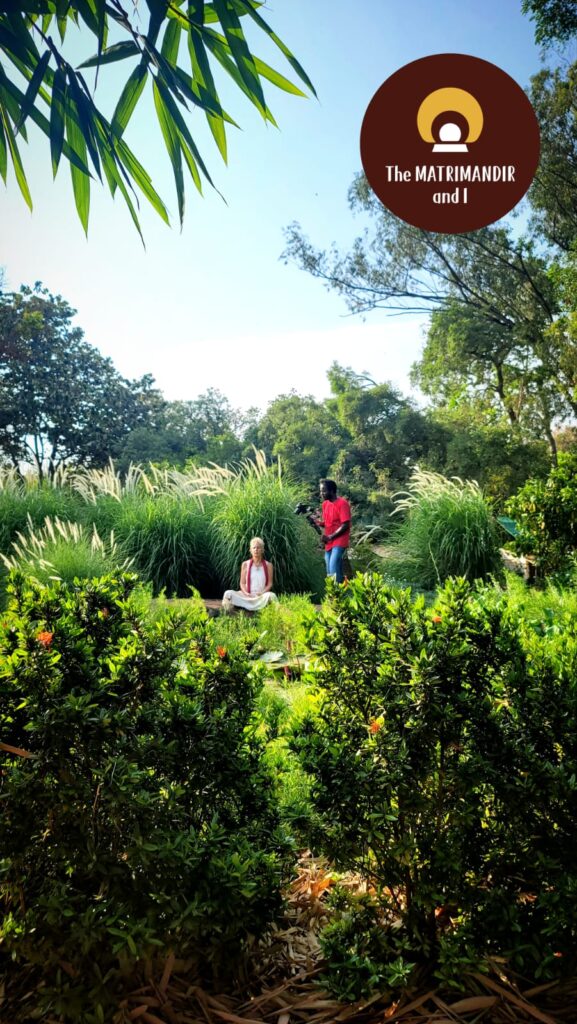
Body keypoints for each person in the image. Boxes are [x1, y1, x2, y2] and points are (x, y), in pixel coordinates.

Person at [222, 537, 278, 612]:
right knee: (228, 593)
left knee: (272, 596)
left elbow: (270, 584)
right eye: (254, 548)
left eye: (258, 548)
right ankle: (228, 613)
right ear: (250, 550)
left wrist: (262, 593)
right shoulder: (245, 564)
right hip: (246, 596)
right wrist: (246, 593)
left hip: (260, 597)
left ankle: (279, 614)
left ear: (262, 550)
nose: (256, 550)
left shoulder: (268, 565)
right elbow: (242, 583)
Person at [313, 479, 351, 584]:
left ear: (332, 491)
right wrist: (317, 522)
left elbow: (345, 524)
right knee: (329, 570)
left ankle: (339, 594)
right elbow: (327, 522)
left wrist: (330, 536)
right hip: (329, 541)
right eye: (321, 491)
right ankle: (338, 592)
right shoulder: (325, 504)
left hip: (339, 540)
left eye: (324, 491)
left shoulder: (342, 503)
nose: (321, 494)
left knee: (333, 566)